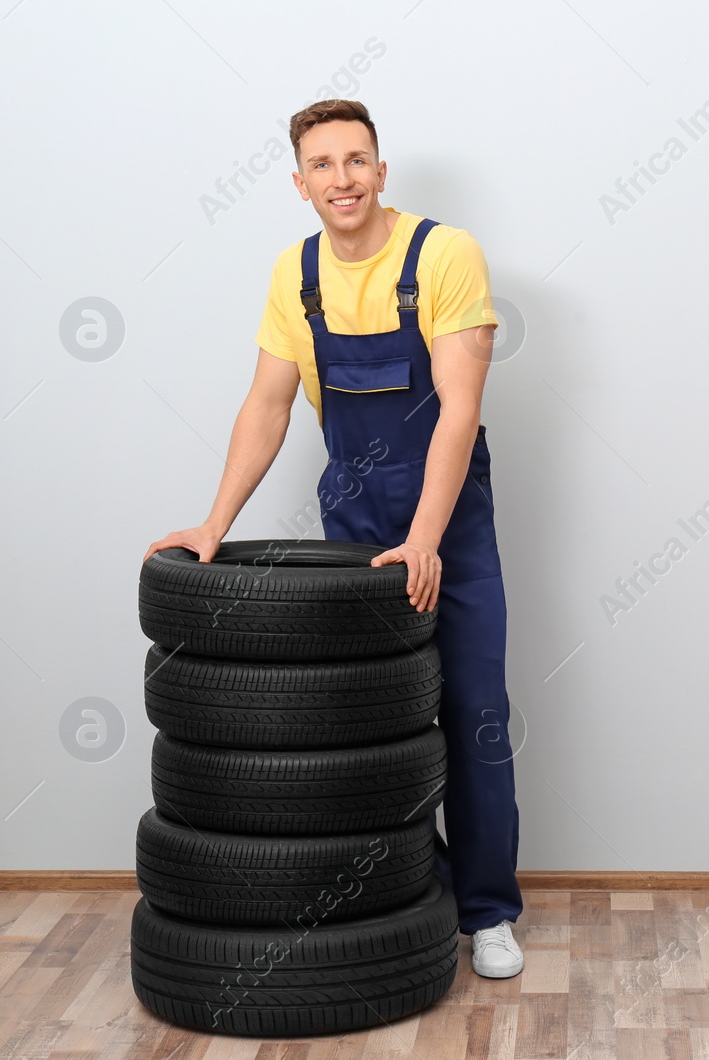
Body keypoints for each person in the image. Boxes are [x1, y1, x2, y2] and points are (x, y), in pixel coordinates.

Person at [144, 98, 524, 978]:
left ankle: (488, 911)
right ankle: (406, 891)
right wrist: (213, 524)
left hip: (449, 527)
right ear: (299, 182)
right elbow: (268, 404)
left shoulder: (443, 255)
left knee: (472, 717)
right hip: (351, 526)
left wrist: (426, 539)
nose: (342, 179)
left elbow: (460, 409)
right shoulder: (296, 272)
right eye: (323, 165)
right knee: (365, 725)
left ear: (381, 171)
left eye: (357, 161)